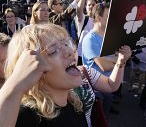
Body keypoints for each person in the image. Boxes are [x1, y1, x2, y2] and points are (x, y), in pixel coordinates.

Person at [0, 23, 131, 127]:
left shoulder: (74, 104)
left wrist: (120, 62)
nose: (69, 51)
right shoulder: (28, 116)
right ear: (30, 69)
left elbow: (112, 85)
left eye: (66, 43)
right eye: (53, 50)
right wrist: (15, 84)